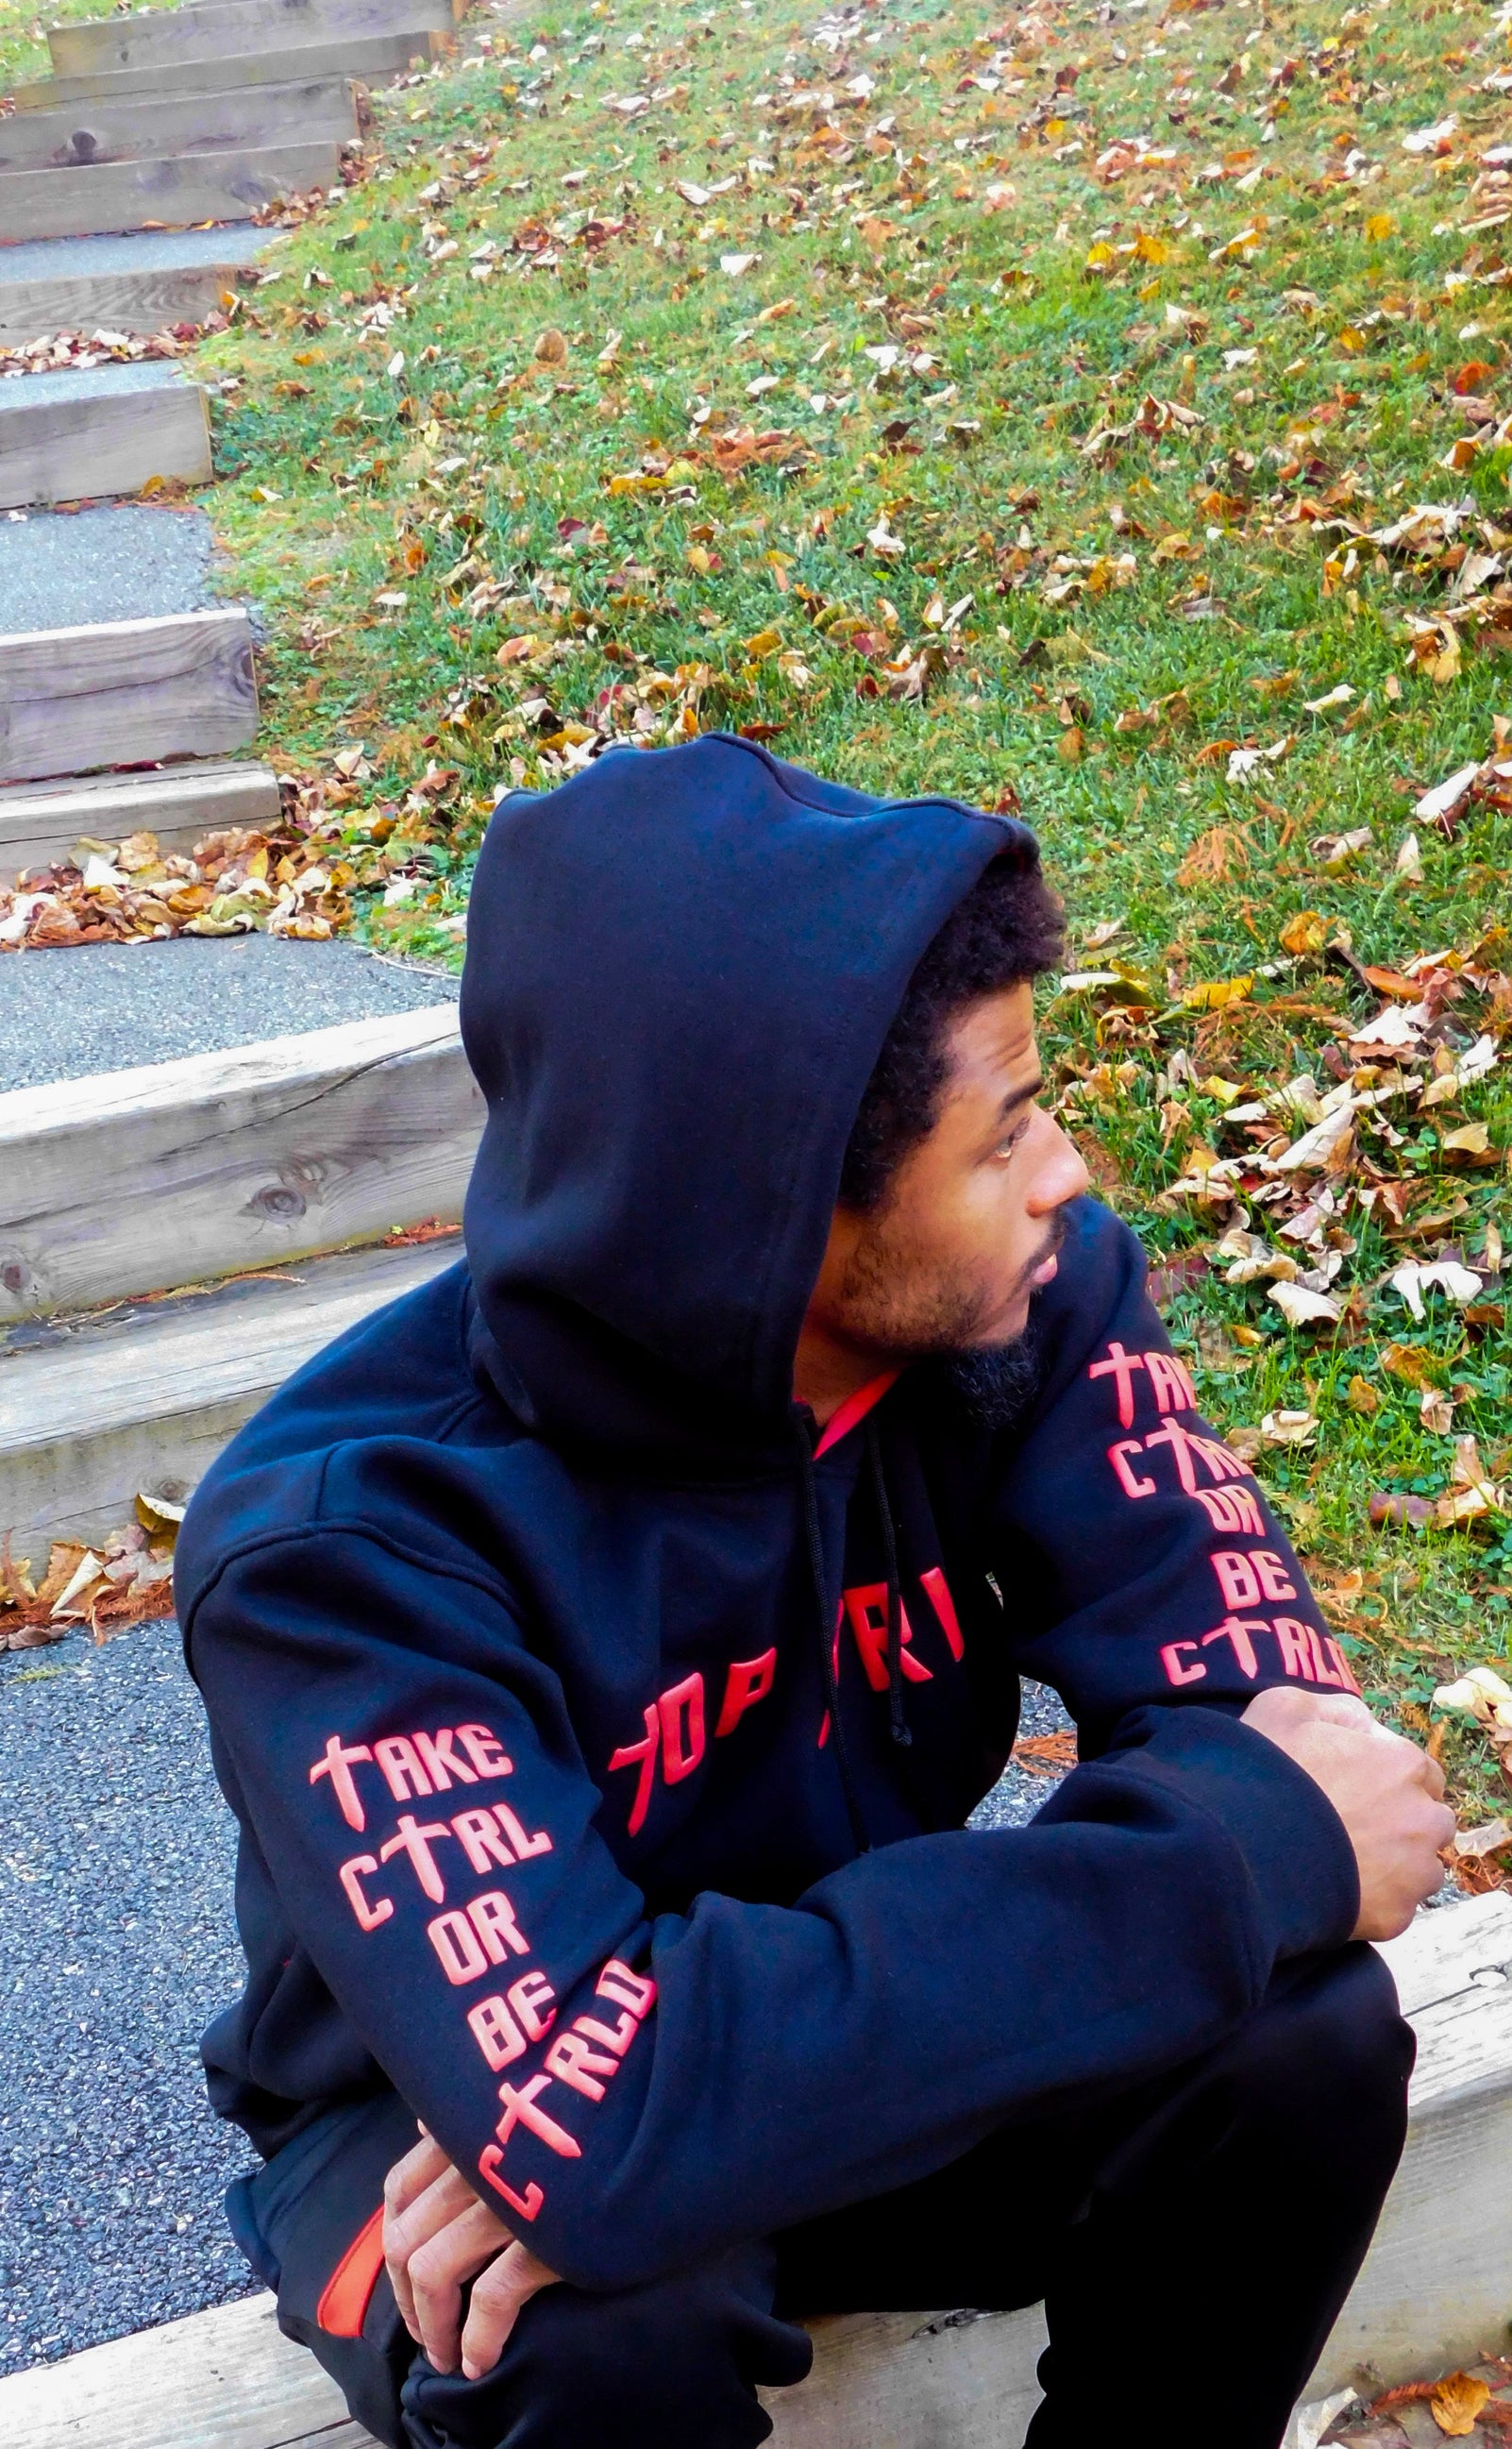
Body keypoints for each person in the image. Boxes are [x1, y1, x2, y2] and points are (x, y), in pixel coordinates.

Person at [176, 734, 1453, 2449]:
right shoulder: (343, 1540)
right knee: (590, 2322)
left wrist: (651, 2102)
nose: (1063, 1170)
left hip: (826, 2048)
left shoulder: (1025, 1298)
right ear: (777, 1214)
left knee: (1302, 2034)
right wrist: (611, 2119)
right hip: (412, 2135)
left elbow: (1282, 1746)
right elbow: (601, 2123)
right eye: (1000, 1135)